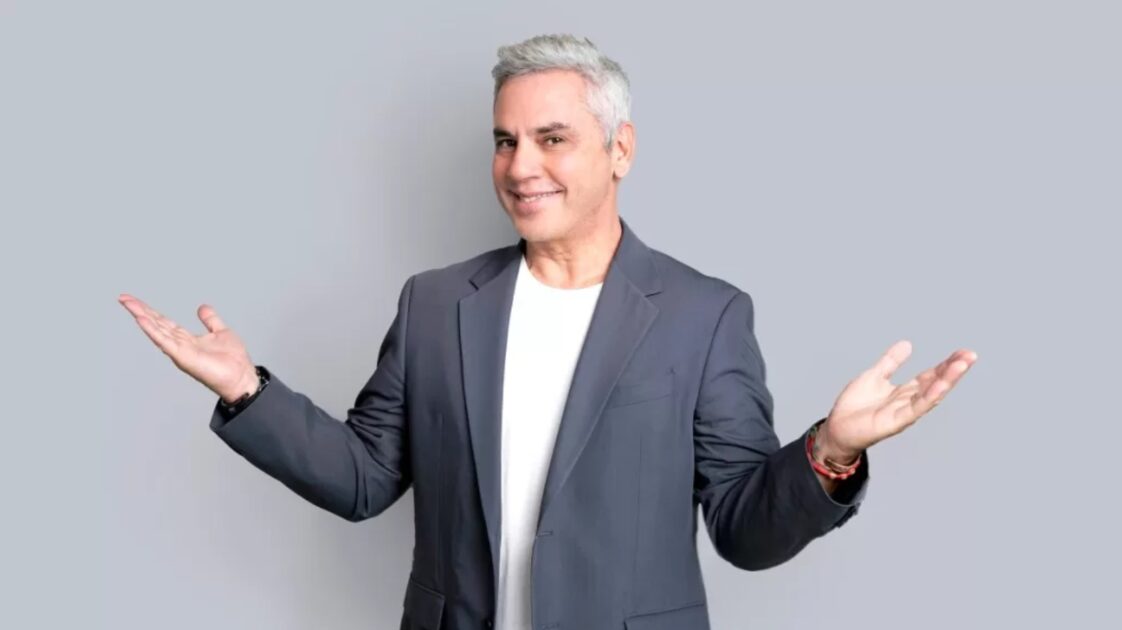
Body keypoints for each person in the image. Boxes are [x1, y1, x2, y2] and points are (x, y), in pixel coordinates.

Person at [119, 34, 977, 630]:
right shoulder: (434, 304)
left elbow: (744, 532)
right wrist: (246, 392)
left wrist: (830, 451)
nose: (520, 166)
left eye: (551, 138)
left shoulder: (705, 315)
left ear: (620, 149)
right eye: (505, 141)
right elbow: (364, 479)